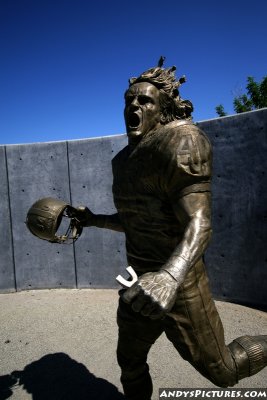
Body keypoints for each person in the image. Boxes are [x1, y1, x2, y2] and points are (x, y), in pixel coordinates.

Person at [78, 62, 267, 400]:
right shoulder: (121, 161)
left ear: (163, 109)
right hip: (139, 282)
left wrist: (169, 276)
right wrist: (93, 219)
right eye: (129, 100)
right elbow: (135, 220)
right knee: (130, 362)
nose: (133, 106)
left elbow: (200, 222)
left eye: (145, 101)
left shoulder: (182, 140)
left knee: (223, 371)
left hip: (179, 283)